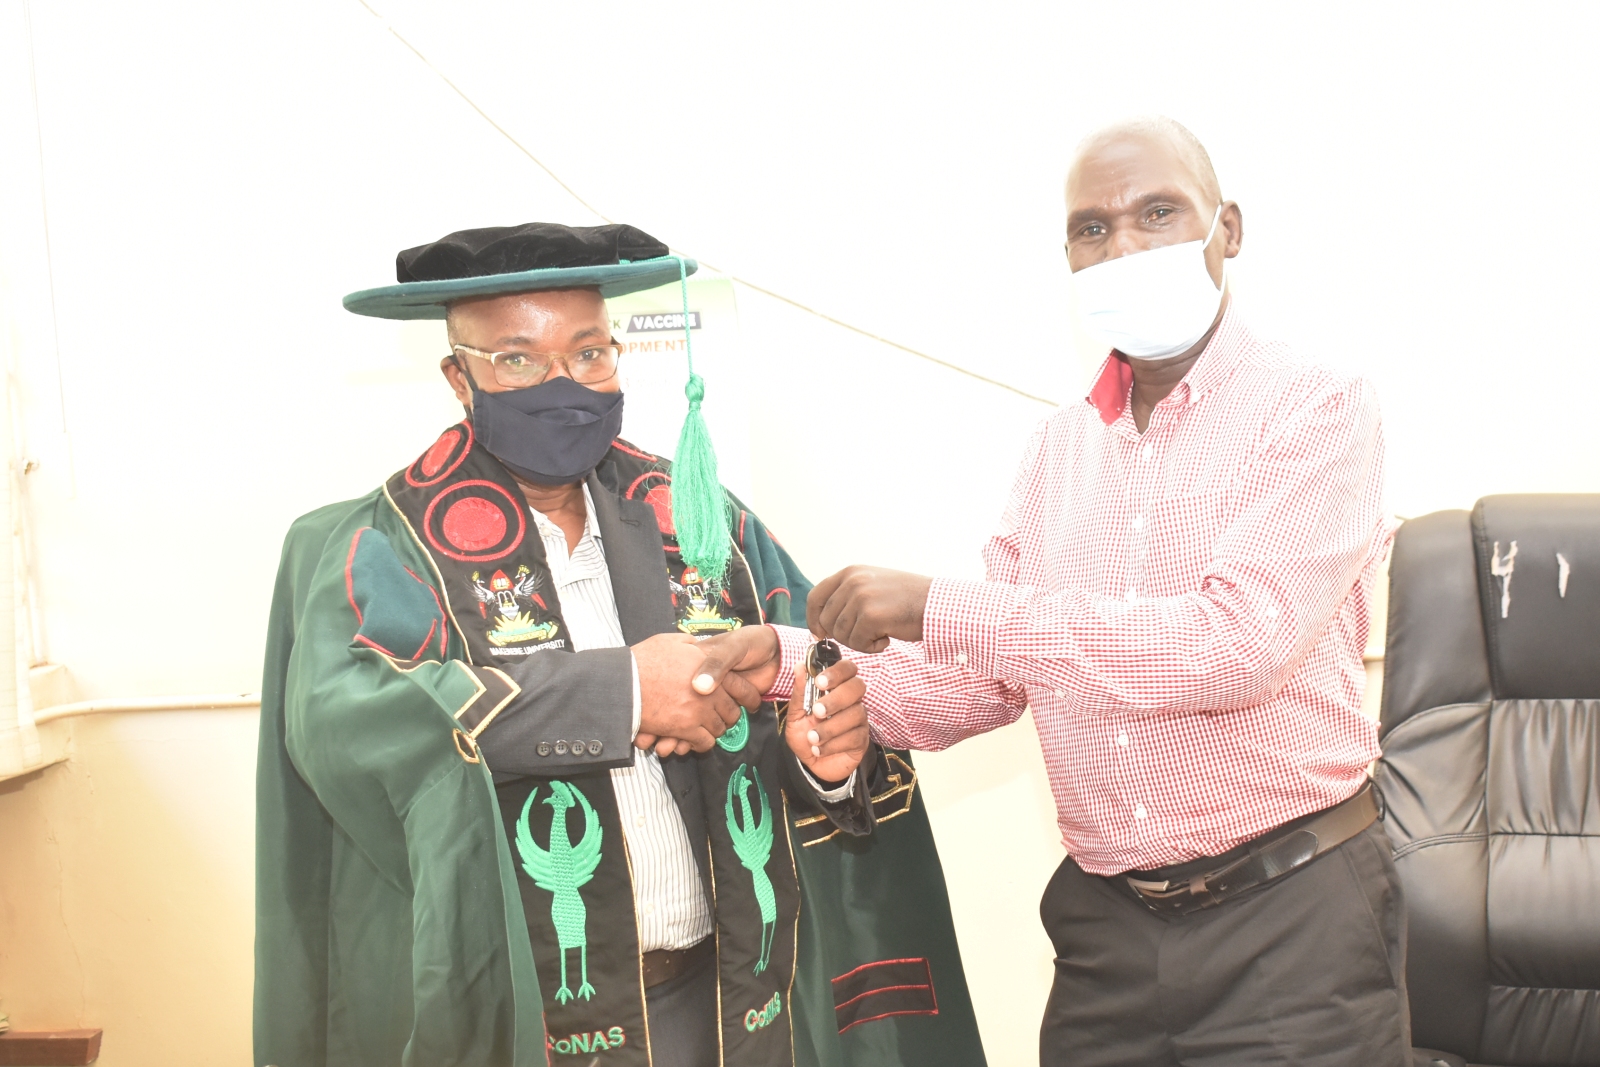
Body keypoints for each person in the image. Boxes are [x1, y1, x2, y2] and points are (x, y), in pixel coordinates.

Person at [722, 118, 1404, 1065]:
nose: (1122, 247)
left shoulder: (1318, 407)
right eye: (1093, 229)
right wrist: (780, 662)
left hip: (1290, 919)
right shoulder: (1060, 451)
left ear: (1228, 228)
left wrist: (938, 606)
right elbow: (981, 683)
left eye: (1157, 213)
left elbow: (1234, 645)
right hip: (1109, 932)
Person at [254, 222, 985, 1067]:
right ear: (459, 377)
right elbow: (361, 728)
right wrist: (626, 695)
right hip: (524, 1024)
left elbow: (822, 698)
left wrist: (824, 759)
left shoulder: (703, 523)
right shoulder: (380, 548)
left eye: (590, 352)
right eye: (518, 360)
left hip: (717, 1002)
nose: (563, 383)